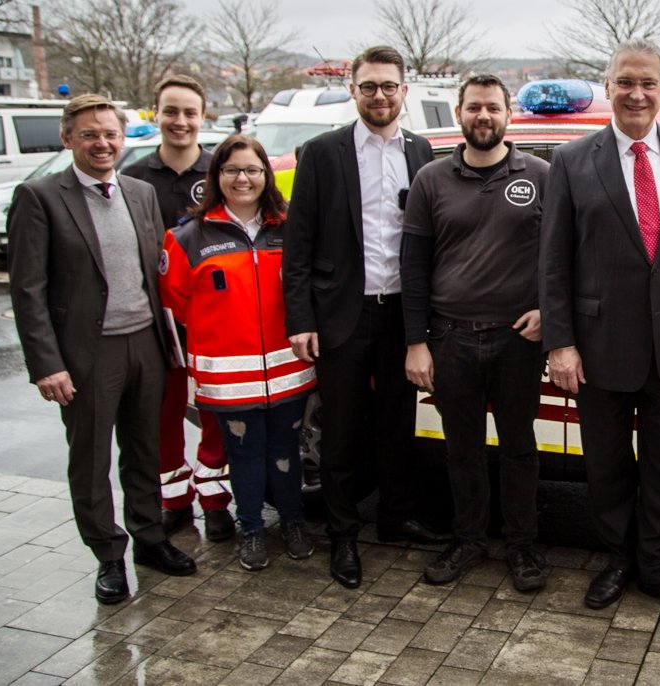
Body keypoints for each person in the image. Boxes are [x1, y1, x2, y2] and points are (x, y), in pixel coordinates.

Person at [540, 37, 660, 621]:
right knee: (606, 468)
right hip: (598, 351)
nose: (637, 93)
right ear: (608, 87)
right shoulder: (572, 161)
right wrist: (560, 343)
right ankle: (618, 559)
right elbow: (554, 261)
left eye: (648, 82)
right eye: (626, 81)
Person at [7, 94, 197, 604]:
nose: (102, 143)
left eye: (110, 134)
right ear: (68, 139)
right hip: (88, 354)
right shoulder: (40, 196)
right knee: (91, 461)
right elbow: (27, 290)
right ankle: (108, 555)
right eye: (90, 134)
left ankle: (149, 539)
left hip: (147, 346)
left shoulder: (138, 192)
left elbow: (158, 271)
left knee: (145, 452)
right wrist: (47, 364)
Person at [282, 45, 443, 589]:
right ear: (353, 91)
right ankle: (344, 534)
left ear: (405, 91)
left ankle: (396, 517)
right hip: (342, 315)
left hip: (403, 314)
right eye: (369, 86)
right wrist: (301, 318)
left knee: (400, 424)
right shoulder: (321, 153)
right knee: (344, 430)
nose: (380, 95)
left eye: (389, 86)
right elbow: (298, 244)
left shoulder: (422, 152)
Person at [401, 74, 550, 592]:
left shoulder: (541, 175)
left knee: (519, 447)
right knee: (460, 447)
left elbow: (562, 259)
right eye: (473, 108)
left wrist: (548, 311)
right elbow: (413, 266)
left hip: (518, 340)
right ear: (459, 114)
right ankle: (468, 539)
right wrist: (415, 341)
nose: (482, 117)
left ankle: (521, 545)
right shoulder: (431, 180)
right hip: (450, 339)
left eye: (492, 107)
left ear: (508, 113)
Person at [161, 135, 317, 571]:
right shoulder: (188, 237)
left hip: (289, 371)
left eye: (252, 170)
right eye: (231, 170)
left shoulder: (289, 228)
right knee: (244, 456)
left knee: (287, 449)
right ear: (217, 177)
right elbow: (175, 301)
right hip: (228, 377)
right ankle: (249, 529)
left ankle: (292, 522)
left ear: (266, 176)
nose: (242, 178)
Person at [123, 74, 234, 543]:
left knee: (216, 416)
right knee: (162, 417)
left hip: (214, 319)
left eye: (190, 112)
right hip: (158, 323)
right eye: (171, 111)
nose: (181, 121)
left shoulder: (222, 174)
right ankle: (174, 502)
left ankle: (216, 503)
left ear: (203, 116)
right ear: (156, 113)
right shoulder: (133, 178)